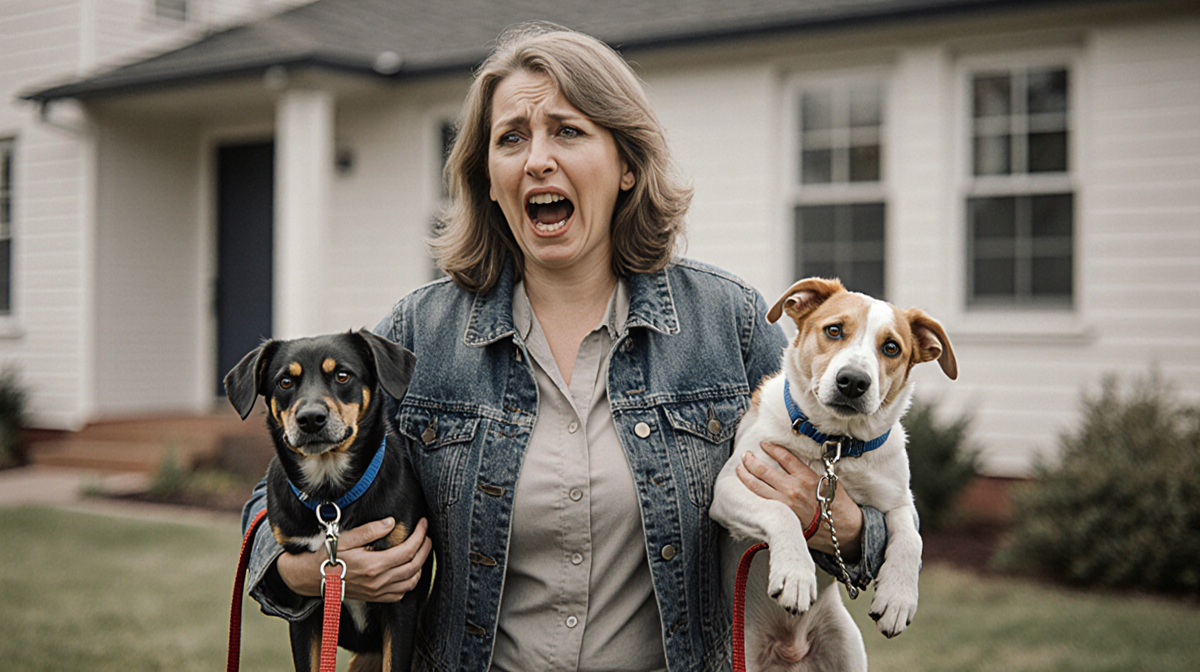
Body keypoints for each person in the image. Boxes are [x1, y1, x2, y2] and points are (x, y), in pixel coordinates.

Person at [242, 22, 887, 672]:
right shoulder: (422, 332)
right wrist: (304, 571)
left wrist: (848, 526)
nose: (536, 159)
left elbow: (854, 494)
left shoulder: (730, 321)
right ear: (489, 178)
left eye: (568, 131)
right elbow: (278, 495)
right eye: (511, 138)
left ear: (628, 166)